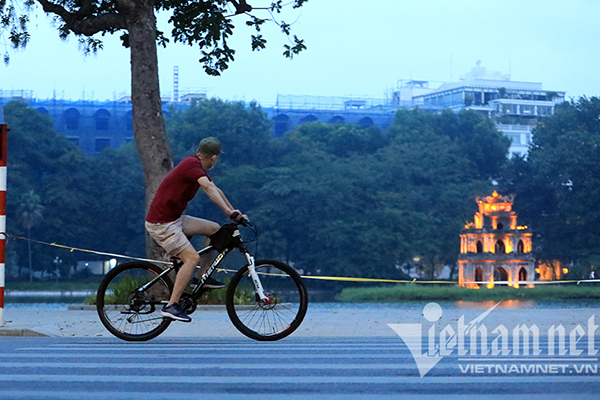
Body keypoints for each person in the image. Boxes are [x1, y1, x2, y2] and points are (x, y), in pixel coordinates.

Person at [145, 137, 246, 322]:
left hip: (173, 220)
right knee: (191, 258)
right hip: (162, 224)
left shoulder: (194, 165)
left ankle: (202, 277)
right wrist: (227, 212)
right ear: (214, 157)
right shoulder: (192, 165)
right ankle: (171, 305)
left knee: (215, 229)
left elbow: (215, 189)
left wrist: (233, 212)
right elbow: (208, 189)